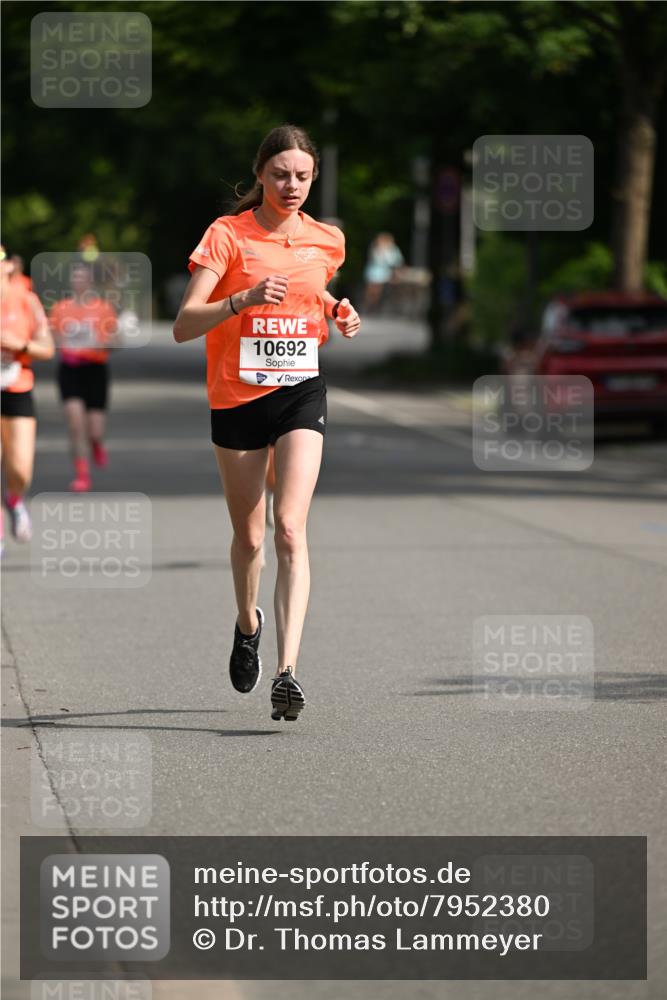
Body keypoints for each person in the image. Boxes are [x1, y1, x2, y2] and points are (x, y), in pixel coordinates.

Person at [174, 123, 360, 721]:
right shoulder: (227, 235)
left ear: (314, 178)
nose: (291, 185)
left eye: (302, 176)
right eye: (280, 174)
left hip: (300, 391)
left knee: (289, 528)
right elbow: (184, 324)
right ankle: (246, 623)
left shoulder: (326, 239)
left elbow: (313, 291)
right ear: (260, 175)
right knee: (251, 537)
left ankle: (287, 672)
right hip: (237, 396)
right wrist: (242, 300)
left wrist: (338, 309)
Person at [0, 246, 54, 550]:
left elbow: (47, 348)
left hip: (17, 387)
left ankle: (14, 499)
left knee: (20, 470)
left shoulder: (26, 300)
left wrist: (18, 344)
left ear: (8, 266)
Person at [49, 263, 118, 492]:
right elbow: (51, 339)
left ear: (90, 282)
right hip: (70, 370)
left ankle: (96, 443)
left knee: (95, 430)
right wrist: (61, 343)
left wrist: (102, 343)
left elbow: (115, 341)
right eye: (75, 277)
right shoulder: (60, 308)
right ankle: (82, 475)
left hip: (95, 370)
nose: (79, 282)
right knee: (76, 424)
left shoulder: (103, 308)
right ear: (71, 282)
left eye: (83, 278)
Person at [362, 232, 404, 314]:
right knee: (372, 290)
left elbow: (396, 262)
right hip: (375, 272)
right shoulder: (375, 248)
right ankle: (370, 307)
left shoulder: (393, 250)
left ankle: (375, 307)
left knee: (378, 290)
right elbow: (376, 260)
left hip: (385, 273)